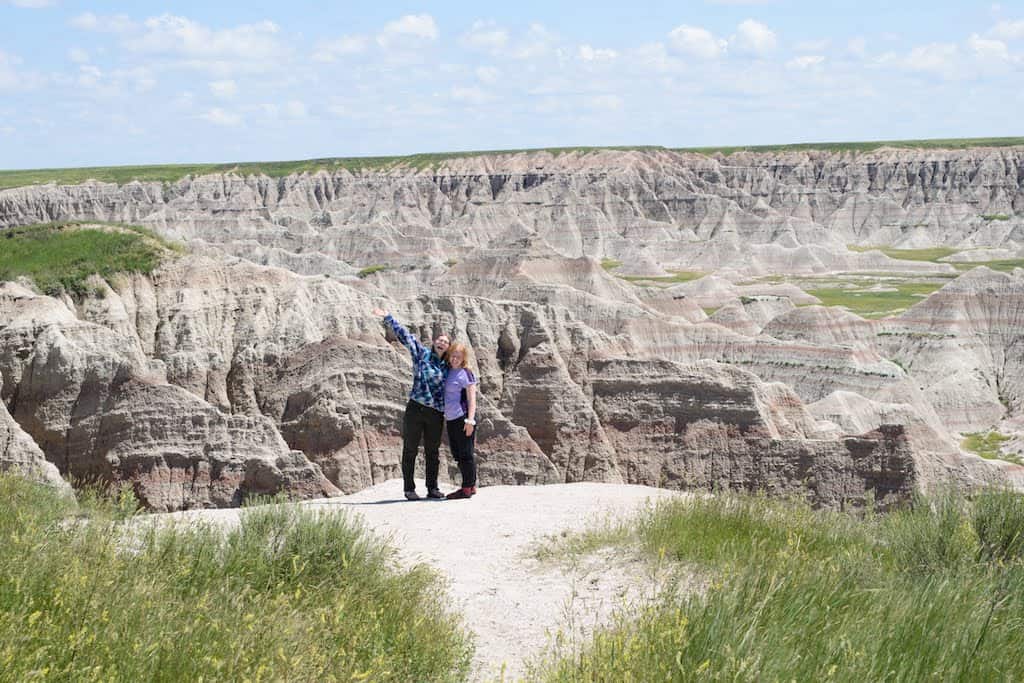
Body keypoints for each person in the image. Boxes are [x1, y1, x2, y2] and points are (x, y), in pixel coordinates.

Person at [373, 308, 449, 500]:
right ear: (434, 342)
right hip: (416, 408)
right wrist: (388, 318)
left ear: (448, 348)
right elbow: (405, 337)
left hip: (436, 414)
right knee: (410, 449)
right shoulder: (421, 354)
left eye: (446, 342)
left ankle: (432, 488)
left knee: (433, 452)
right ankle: (409, 489)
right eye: (440, 340)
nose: (442, 342)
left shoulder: (448, 367)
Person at [442, 342, 478, 500]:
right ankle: (471, 485)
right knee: (458, 453)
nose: (455, 359)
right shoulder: (448, 371)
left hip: (462, 418)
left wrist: (470, 421)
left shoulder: (466, 373)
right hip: (450, 418)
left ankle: (466, 488)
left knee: (466, 454)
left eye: (458, 356)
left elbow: (472, 399)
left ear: (463, 358)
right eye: (453, 356)